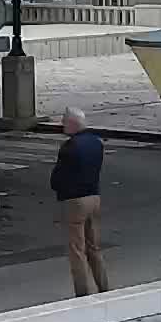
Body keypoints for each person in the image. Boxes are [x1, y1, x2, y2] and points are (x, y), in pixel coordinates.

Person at [50, 106, 109, 296]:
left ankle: (83, 292)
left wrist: (58, 187)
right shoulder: (97, 142)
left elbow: (58, 177)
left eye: (64, 121)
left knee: (77, 249)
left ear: (73, 124)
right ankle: (103, 286)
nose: (62, 125)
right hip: (94, 196)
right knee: (94, 246)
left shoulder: (69, 147)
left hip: (74, 200)